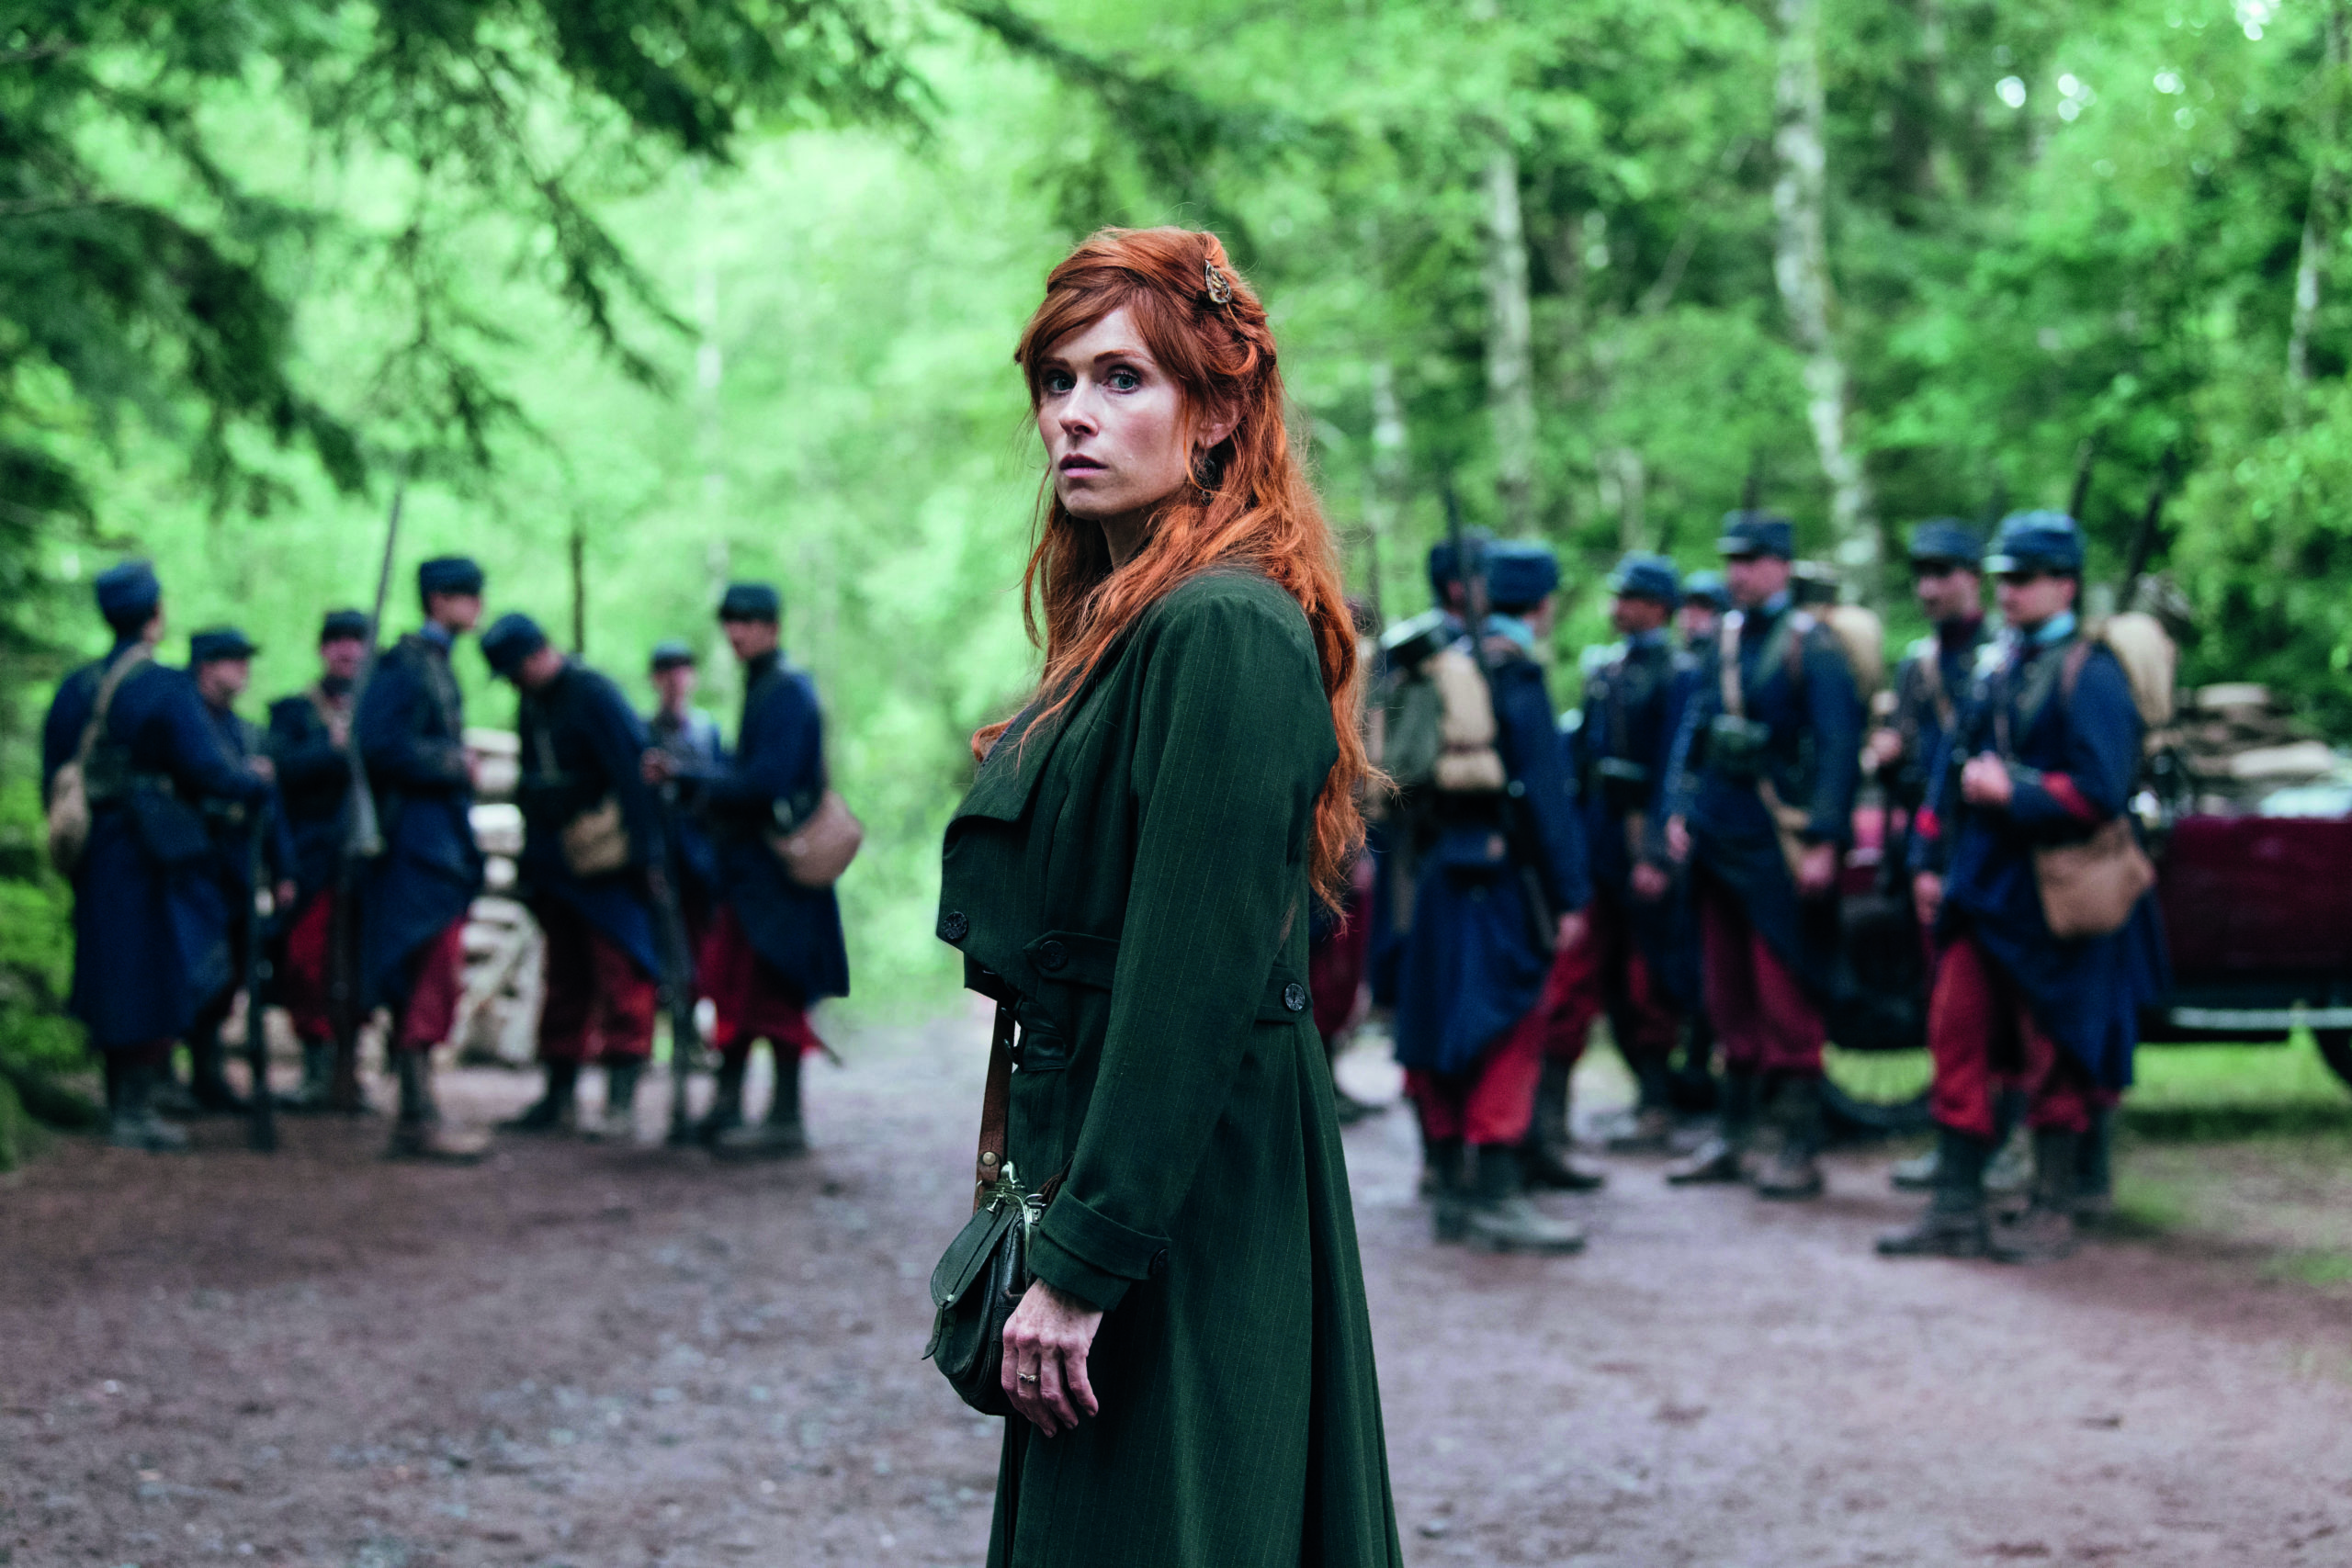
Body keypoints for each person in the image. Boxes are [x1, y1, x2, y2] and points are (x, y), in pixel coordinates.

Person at [936, 227, 1400, 1567]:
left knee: (1184, 1524)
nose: (1074, 412)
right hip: (1127, 1171)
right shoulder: (1134, 623)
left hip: (1187, 1195)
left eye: (1124, 379)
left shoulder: (1223, 627)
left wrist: (1088, 1256)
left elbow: (1188, 978)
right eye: (1059, 378)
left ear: (1218, 413)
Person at [1880, 513, 2167, 1263]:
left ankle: (2053, 1202)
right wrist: (1926, 860)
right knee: (1957, 1035)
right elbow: (1948, 770)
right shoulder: (1994, 664)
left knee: (2054, 1049)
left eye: (2025, 578)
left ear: (2064, 585)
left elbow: (2102, 789)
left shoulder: (2092, 671)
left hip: (2049, 895)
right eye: (2004, 578)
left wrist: (2018, 790)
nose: (2008, 592)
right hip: (1982, 886)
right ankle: (1954, 1205)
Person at [1391, 537, 1595, 1251]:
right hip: (1502, 878)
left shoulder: (1416, 666)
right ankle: (1498, 1192)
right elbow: (1546, 793)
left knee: (1436, 1025)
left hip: (1424, 879)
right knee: (1510, 1024)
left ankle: (1448, 1186)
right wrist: (1571, 893)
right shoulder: (1512, 672)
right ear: (1538, 606)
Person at [1662, 511, 1863, 1200]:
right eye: (1732, 559)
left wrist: (1825, 842)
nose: (1738, 572)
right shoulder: (1719, 639)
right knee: (1726, 995)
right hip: (1718, 838)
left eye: (1752, 560)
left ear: (1782, 564)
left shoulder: (1815, 646)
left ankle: (1797, 1144)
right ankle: (1736, 1135)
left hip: (1778, 846)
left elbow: (1839, 747)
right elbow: (1690, 732)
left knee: (1785, 997)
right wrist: (1676, 810)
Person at [40, 561, 268, 1152]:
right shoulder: (163, 686)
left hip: (96, 847)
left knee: (111, 969)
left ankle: (129, 1099)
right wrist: (258, 782)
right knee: (155, 972)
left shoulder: (77, 685)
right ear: (155, 615)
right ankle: (134, 1108)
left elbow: (54, 770)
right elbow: (207, 767)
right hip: (150, 851)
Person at [656, 582, 849, 1158]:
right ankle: (726, 1106)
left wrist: (687, 778)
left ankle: (785, 1118)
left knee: (775, 988)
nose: (737, 632)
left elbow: (767, 782)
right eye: (730, 622)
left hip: (778, 877)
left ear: (772, 626)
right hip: (752, 875)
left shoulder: (786, 689)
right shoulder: (764, 684)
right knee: (733, 984)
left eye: (748, 621)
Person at [1540, 554, 1701, 1156]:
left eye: (1630, 596)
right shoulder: (1606, 668)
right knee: (1577, 974)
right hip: (1597, 837)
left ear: (1657, 607)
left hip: (1641, 845)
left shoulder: (1679, 672)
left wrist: (1657, 852)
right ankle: (1550, 1117)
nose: (1617, 604)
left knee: (1647, 981)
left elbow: (1675, 765)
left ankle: (1655, 1106)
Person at [483, 614, 666, 1141]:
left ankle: (620, 1102)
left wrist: (647, 856)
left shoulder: (593, 694)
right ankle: (559, 1095)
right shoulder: (533, 702)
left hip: (607, 865)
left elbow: (634, 777)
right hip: (557, 865)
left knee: (621, 974)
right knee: (563, 979)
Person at [356, 556, 491, 1162]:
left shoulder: (431, 665)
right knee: (425, 973)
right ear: (438, 601)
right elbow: (377, 744)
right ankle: (416, 1115)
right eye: (466, 596)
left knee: (432, 976)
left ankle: (419, 1108)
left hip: (435, 844)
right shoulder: (404, 667)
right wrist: (450, 764)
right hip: (414, 846)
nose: (476, 607)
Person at [182, 626, 299, 1114]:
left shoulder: (247, 732)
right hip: (192, 868)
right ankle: (185, 1071)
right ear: (208, 666)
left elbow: (271, 810)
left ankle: (210, 1072)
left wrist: (283, 869)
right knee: (193, 971)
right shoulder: (184, 725)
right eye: (234, 660)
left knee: (228, 974)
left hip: (236, 870)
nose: (243, 670)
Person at [266, 609, 369, 1111]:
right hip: (312, 860)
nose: (347, 651)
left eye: (357, 641)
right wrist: (330, 750)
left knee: (360, 966)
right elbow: (279, 775)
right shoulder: (293, 713)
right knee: (307, 963)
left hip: (367, 861)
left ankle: (350, 1067)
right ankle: (316, 1066)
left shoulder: (380, 708)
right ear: (323, 649)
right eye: (338, 641)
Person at [644, 638, 727, 956]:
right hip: (666, 851)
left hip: (705, 853)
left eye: (682, 669)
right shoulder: (644, 733)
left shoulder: (708, 732)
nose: (675, 679)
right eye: (667, 670)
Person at [1679, 570, 1728, 652]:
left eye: (1704, 606)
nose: (1694, 614)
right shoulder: (1665, 657)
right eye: (1688, 605)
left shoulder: (1730, 658)